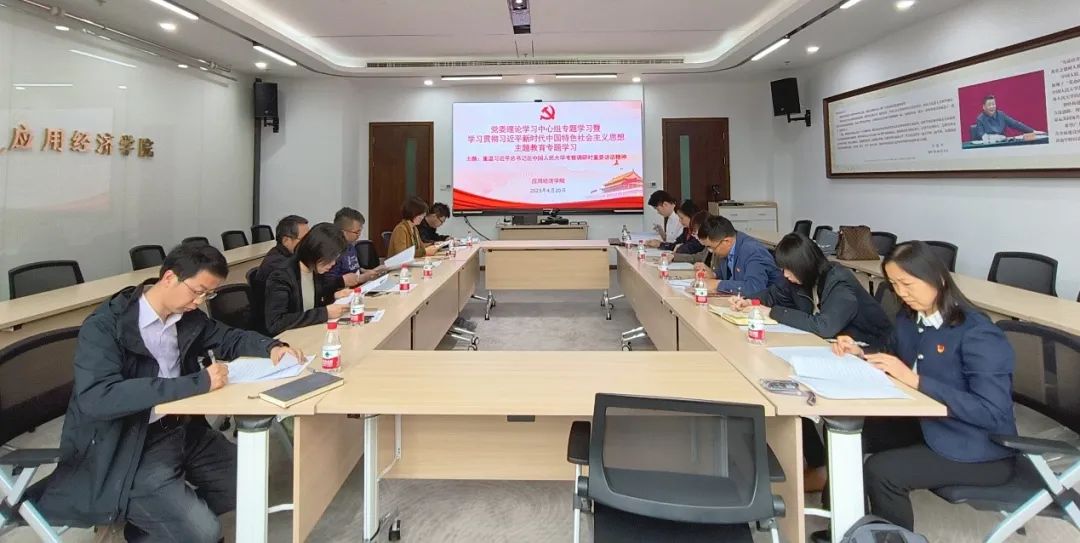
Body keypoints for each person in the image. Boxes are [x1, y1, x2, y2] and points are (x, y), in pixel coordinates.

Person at [37, 244, 303, 542]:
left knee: (250, 480)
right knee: (206, 533)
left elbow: (226, 337)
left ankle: (157, 522)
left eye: (208, 295)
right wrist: (196, 383)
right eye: (197, 291)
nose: (199, 302)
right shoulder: (106, 327)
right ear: (169, 278)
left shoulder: (186, 317)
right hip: (130, 445)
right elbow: (99, 396)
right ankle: (170, 519)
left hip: (180, 429)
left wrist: (271, 347)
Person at [815, 241, 1016, 539]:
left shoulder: (978, 333)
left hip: (980, 447)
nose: (901, 293)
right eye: (894, 285)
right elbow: (891, 356)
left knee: (883, 471)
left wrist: (917, 381)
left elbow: (991, 411)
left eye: (907, 284)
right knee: (847, 432)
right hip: (928, 425)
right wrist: (861, 352)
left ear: (938, 278)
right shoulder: (909, 319)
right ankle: (842, 527)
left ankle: (892, 538)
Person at [731, 232, 893, 490]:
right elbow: (774, 293)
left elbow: (824, 326)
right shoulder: (801, 279)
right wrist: (750, 302)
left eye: (788, 270)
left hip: (866, 352)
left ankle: (824, 470)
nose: (785, 275)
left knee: (797, 389)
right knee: (786, 382)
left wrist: (772, 312)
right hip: (832, 349)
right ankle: (816, 462)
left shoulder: (839, 282)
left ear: (804, 265)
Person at [264, 222, 353, 335]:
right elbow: (276, 323)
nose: (333, 263)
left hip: (309, 333)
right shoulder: (281, 276)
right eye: (330, 259)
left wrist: (333, 296)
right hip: (288, 338)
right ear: (315, 252)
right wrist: (324, 313)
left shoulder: (315, 271)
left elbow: (312, 304)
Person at [693, 215, 781, 295]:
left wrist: (717, 284)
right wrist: (713, 275)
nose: (711, 251)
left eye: (711, 247)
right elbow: (729, 277)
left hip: (768, 304)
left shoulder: (752, 251)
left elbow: (754, 288)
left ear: (727, 241)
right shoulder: (727, 248)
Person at [250, 215, 309, 333]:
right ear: (286, 240)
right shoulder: (279, 266)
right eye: (304, 240)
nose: (309, 244)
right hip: (273, 329)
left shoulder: (288, 256)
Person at [326, 207, 385, 289]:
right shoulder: (333, 252)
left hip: (358, 288)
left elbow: (353, 269)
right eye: (357, 232)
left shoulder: (350, 246)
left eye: (360, 231)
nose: (359, 235)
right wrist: (361, 278)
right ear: (343, 232)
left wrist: (366, 271)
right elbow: (330, 283)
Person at [972, 95, 1042, 141]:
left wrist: (1032, 131)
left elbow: (1016, 124)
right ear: (984, 107)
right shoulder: (980, 119)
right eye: (989, 105)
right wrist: (997, 137)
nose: (992, 107)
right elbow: (983, 136)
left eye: (993, 104)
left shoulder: (1001, 115)